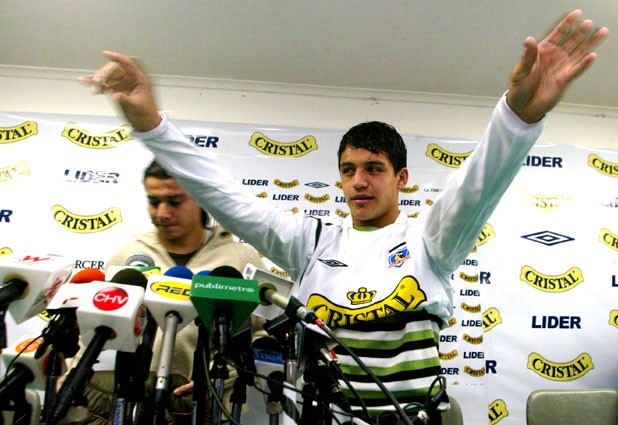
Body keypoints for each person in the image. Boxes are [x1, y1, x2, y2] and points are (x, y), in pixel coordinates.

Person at [79, 9, 608, 425]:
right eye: (349, 170)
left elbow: (477, 187)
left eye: (374, 169)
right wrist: (150, 125)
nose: (359, 181)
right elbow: (224, 195)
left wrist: (518, 117)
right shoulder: (309, 244)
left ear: (402, 178)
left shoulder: (429, 243)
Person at [83, 160, 265, 425]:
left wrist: (222, 375)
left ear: (201, 199)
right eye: (154, 201)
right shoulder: (129, 256)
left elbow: (261, 335)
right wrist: (72, 373)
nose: (162, 213)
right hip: (134, 404)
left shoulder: (239, 259)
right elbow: (95, 324)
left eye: (175, 202)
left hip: (210, 406)